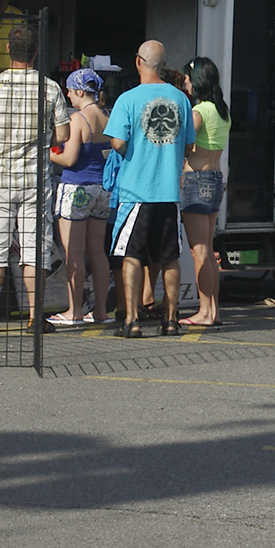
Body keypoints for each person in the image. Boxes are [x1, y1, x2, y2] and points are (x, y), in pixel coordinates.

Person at [0, 22, 70, 330]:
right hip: (34, 181)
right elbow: (63, 134)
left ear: (7, 50)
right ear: (36, 51)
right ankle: (34, 316)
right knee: (35, 249)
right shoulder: (49, 88)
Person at [105, 41, 194, 338]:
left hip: (136, 191)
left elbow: (118, 142)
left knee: (131, 255)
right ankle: (170, 318)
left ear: (138, 62)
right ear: (163, 64)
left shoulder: (127, 99)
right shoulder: (181, 99)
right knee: (169, 256)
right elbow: (189, 145)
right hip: (168, 191)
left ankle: (131, 319)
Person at [47, 68, 112, 327]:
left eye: (70, 91)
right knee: (97, 250)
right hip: (102, 189)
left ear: (80, 91)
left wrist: (47, 152)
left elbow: (69, 159)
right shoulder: (107, 116)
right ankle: (101, 311)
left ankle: (74, 311)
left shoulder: (77, 119)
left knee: (73, 252)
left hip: (76, 188)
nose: (68, 96)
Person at [181, 56, 230, 328]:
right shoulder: (222, 110)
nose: (185, 84)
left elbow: (184, 141)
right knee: (208, 249)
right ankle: (213, 310)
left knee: (198, 250)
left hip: (196, 178)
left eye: (188, 79)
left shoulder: (199, 110)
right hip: (215, 177)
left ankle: (204, 311)